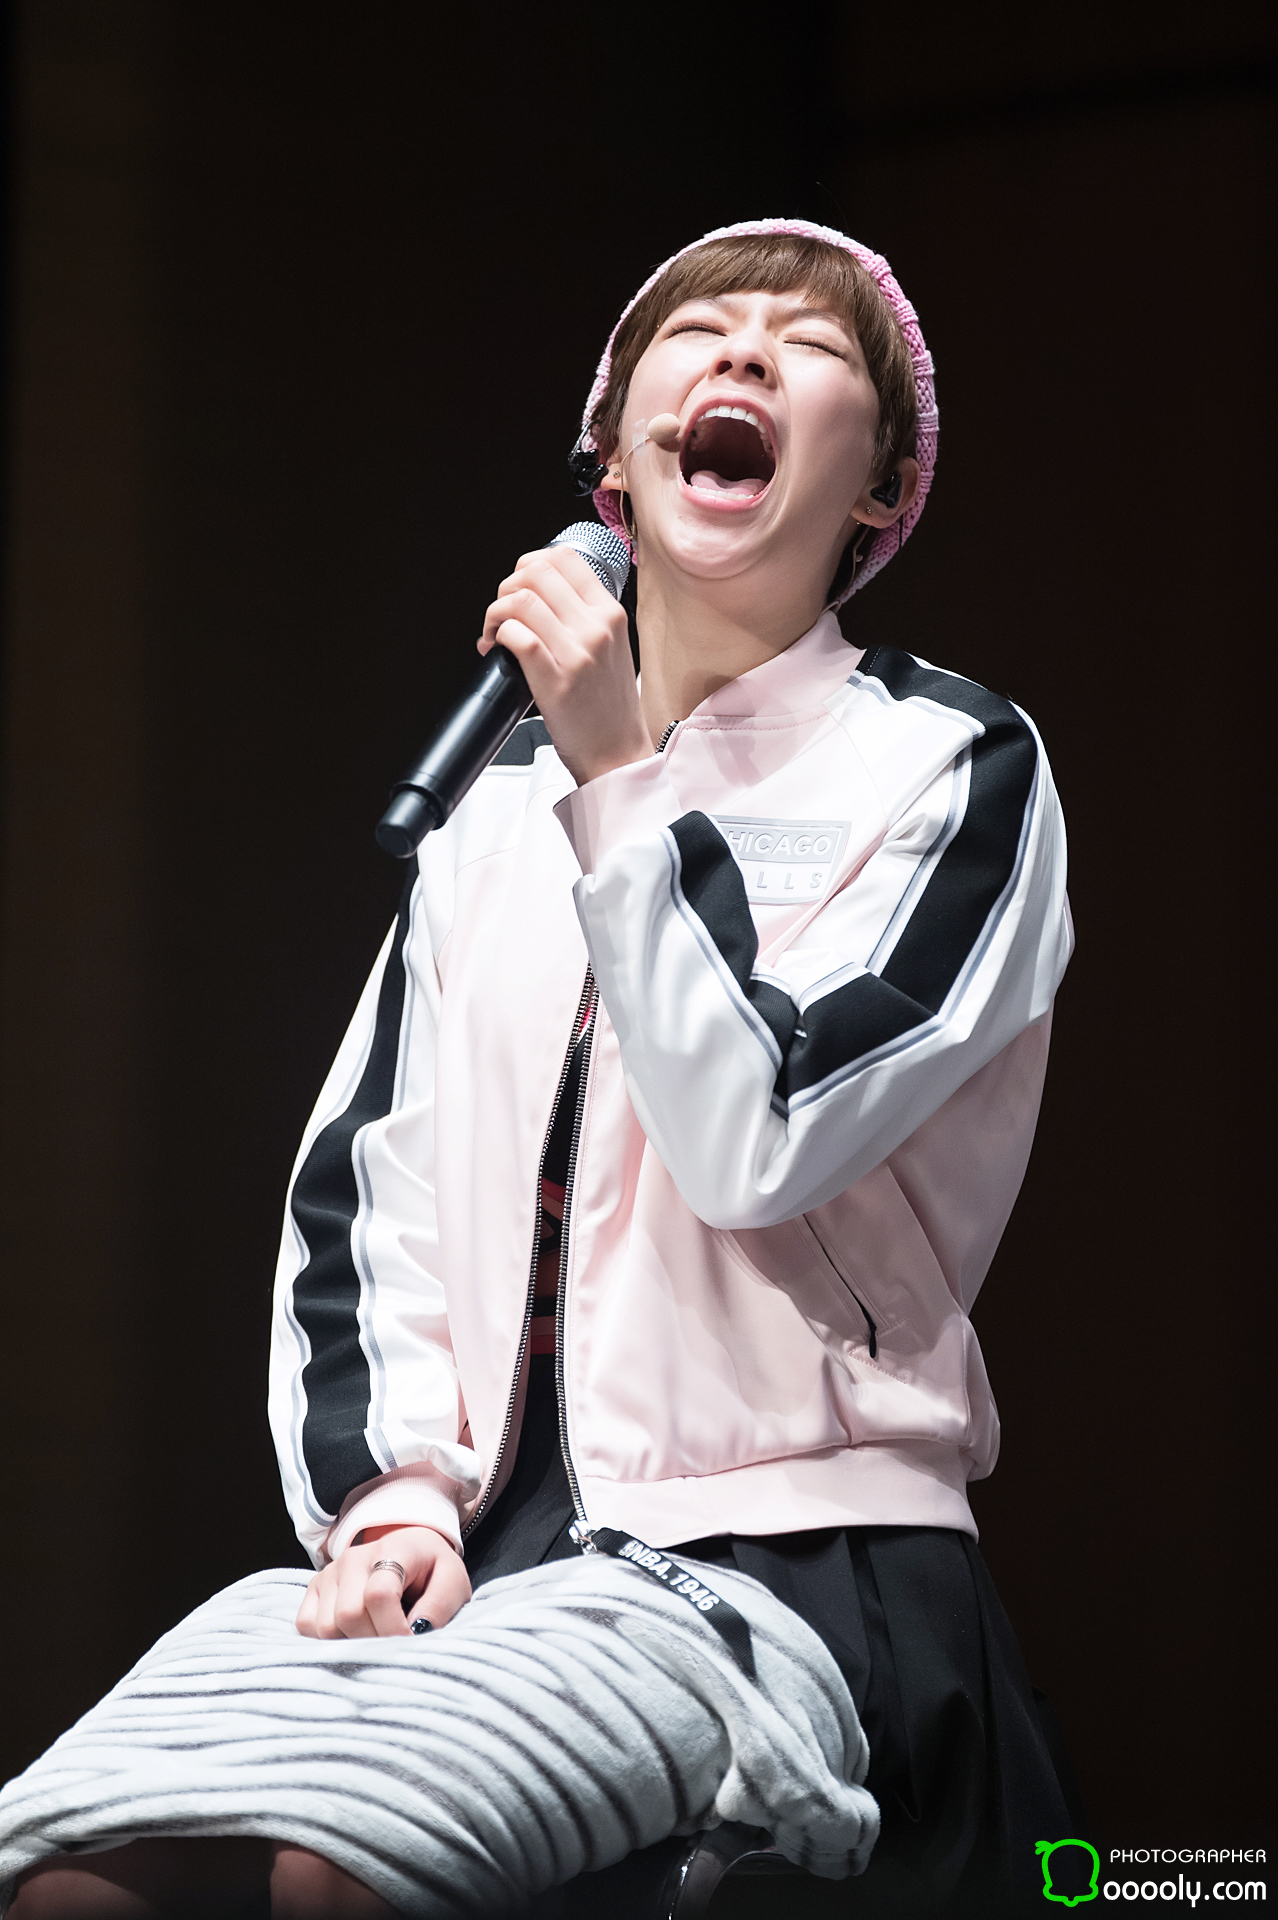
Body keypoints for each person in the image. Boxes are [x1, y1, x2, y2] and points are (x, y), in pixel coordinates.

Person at [1, 219, 1080, 1919]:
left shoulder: (946, 762)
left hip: (793, 1552)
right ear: (609, 462)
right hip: (486, 1550)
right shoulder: (500, 798)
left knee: (346, 1873)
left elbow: (759, 1134)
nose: (742, 352)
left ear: (880, 490)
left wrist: (622, 775)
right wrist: (391, 1501)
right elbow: (374, 1190)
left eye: (807, 348)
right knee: (75, 1869)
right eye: (697, 333)